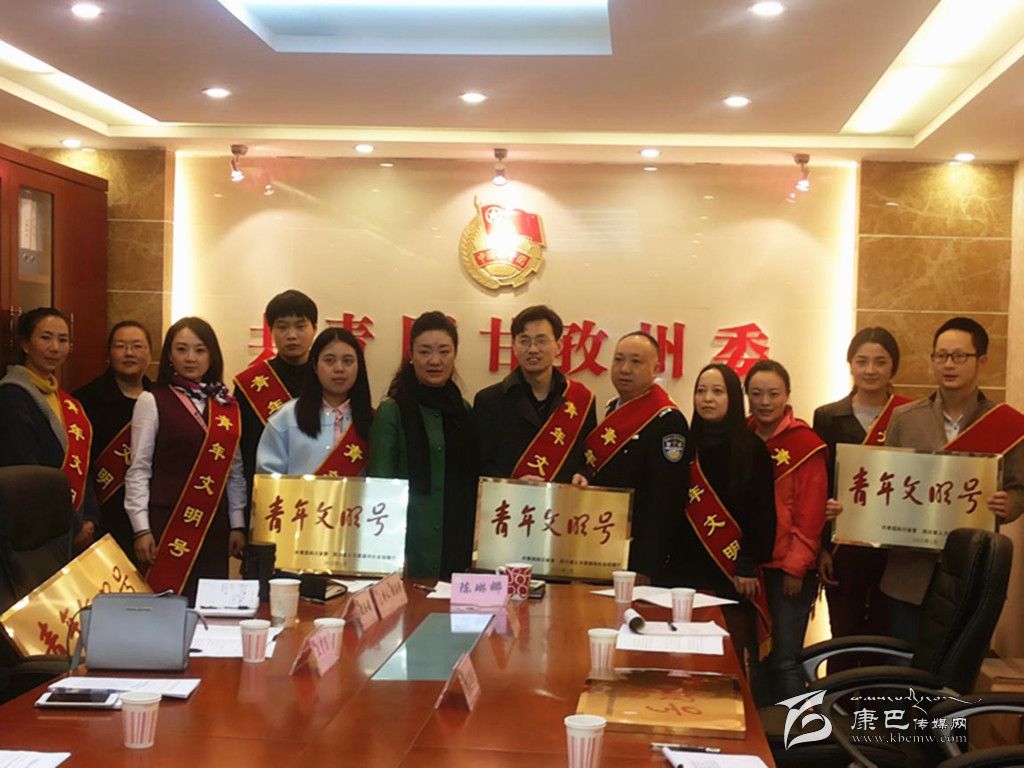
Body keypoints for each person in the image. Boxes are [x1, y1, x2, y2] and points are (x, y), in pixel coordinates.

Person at [880, 317, 1024, 644]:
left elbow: (1019, 488)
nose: (948, 365)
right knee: (901, 664)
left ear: (981, 361)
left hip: (972, 567)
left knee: (959, 666)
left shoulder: (1006, 424)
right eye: (941, 356)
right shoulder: (904, 418)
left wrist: (1010, 504)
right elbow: (885, 483)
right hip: (909, 571)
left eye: (959, 356)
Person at [124, 317, 246, 600]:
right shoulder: (151, 400)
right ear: (169, 355)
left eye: (200, 350)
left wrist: (237, 523)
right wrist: (140, 528)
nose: (191, 358)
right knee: (166, 604)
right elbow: (139, 469)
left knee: (210, 605)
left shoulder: (225, 405)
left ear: (212, 355)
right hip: (167, 522)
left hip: (214, 524)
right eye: (181, 349)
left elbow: (234, 471)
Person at [668, 363, 775, 682]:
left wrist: (746, 564)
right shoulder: (683, 446)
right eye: (701, 391)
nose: (707, 399)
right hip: (682, 575)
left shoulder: (751, 448)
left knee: (725, 666)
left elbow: (761, 513)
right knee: (679, 661)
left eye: (717, 391)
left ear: (733, 398)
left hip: (729, 574)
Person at [812, 327, 909, 664]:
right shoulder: (827, 416)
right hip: (844, 547)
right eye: (862, 361)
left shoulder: (909, 415)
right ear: (850, 364)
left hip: (893, 548)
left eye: (880, 362)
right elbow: (820, 485)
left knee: (884, 635)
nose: (870, 370)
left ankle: (876, 698)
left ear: (893, 367)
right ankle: (839, 696)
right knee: (843, 632)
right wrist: (822, 547)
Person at [367, 311, 478, 579]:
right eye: (425, 351)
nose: (435, 361)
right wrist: (389, 552)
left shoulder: (463, 410)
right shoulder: (392, 410)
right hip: (410, 545)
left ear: (455, 354)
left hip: (458, 544)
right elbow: (380, 489)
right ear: (411, 355)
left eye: (444, 351)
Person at [745, 360, 827, 702]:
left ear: (787, 396)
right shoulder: (741, 436)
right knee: (754, 658)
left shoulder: (805, 445)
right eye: (756, 394)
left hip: (787, 572)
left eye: (773, 394)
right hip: (751, 569)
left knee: (784, 659)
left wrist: (796, 568)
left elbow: (811, 514)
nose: (765, 402)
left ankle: (797, 730)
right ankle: (763, 729)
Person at [583, 332, 690, 584]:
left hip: (637, 554)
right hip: (603, 539)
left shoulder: (668, 420)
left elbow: (666, 501)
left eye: (635, 362)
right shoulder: (612, 408)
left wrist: (646, 565)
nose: (624, 369)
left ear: (656, 368)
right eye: (618, 359)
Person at [0, 307, 99, 550]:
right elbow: (27, 469)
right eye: (45, 338)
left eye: (63, 340)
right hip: (36, 531)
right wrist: (74, 524)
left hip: (70, 526)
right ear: (25, 344)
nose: (55, 347)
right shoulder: (12, 396)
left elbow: (83, 465)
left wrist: (91, 517)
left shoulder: (65, 400)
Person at [474, 305, 596, 485]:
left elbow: (589, 456)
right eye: (524, 341)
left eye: (541, 341)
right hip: (509, 501)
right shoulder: (489, 401)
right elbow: (480, 464)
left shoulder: (581, 399)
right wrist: (512, 483)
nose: (532, 349)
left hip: (563, 501)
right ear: (514, 346)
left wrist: (583, 474)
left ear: (559, 346)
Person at [234, 290, 318, 522]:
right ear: (270, 331)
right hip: (265, 504)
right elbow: (242, 455)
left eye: (300, 326)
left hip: (320, 503)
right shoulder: (249, 384)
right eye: (282, 327)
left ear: (315, 328)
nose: (291, 335)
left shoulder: (327, 379)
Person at [74, 320, 153, 558]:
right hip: (102, 515)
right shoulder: (85, 400)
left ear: (150, 353)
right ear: (108, 354)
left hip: (151, 517)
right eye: (120, 346)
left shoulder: (163, 399)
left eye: (137, 346)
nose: (129, 353)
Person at [257, 327, 373, 476]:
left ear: (359, 367)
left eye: (348, 361)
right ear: (315, 366)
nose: (339, 368)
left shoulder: (373, 420)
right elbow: (268, 477)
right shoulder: (287, 417)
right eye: (329, 360)